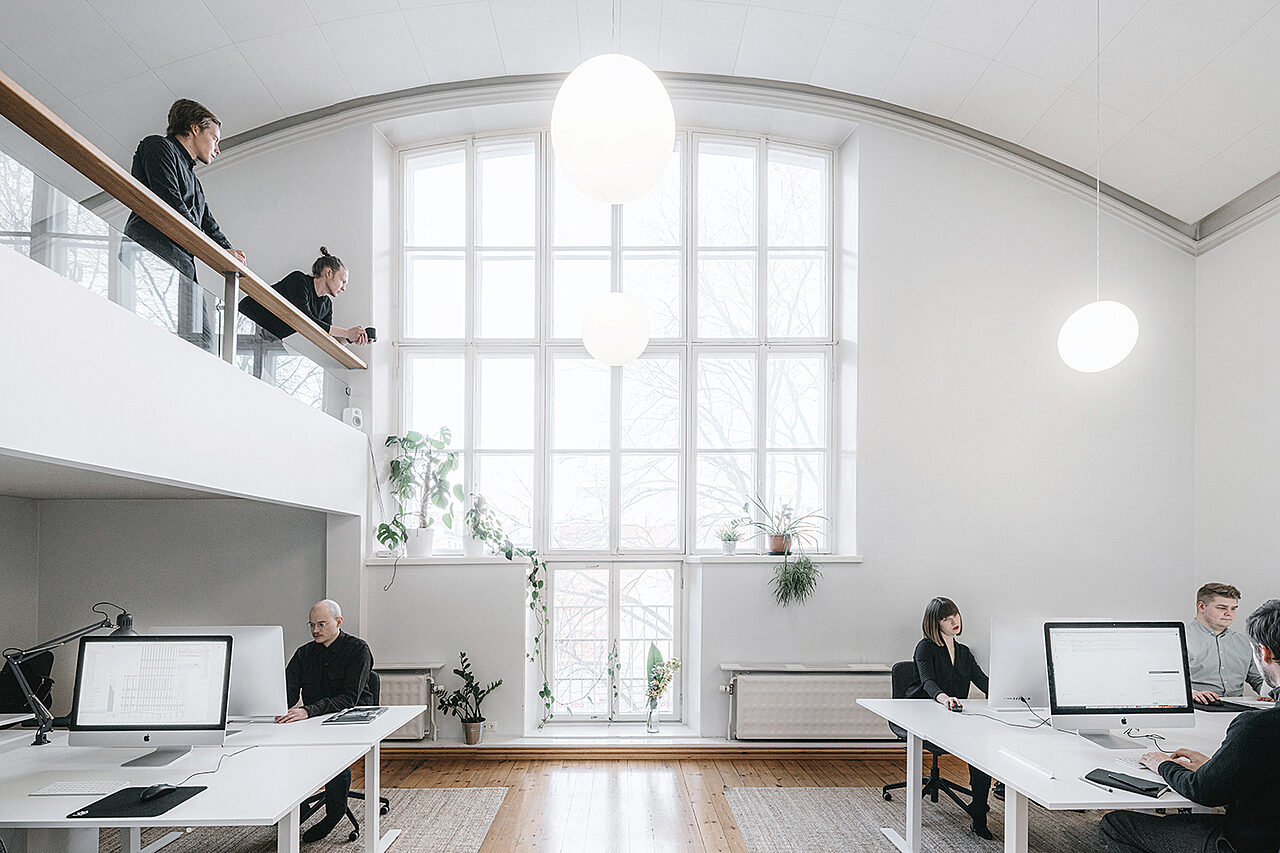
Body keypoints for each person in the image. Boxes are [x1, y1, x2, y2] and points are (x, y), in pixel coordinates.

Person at [1100, 599, 1280, 853]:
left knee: (1116, 824)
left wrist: (1163, 764)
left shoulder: (1259, 727)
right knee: (1180, 821)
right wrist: (1215, 767)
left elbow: (1203, 792)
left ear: (1264, 653)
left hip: (1249, 843)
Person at [122, 99, 245, 350]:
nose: (217, 149)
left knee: (202, 343)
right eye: (215, 138)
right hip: (152, 256)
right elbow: (170, 203)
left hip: (180, 264)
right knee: (162, 340)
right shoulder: (157, 146)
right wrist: (215, 250)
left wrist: (229, 254)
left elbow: (209, 225)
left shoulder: (195, 183)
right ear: (194, 129)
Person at [276, 599, 374, 843]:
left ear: (338, 622)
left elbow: (350, 698)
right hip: (313, 719)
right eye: (311, 625)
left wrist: (309, 710)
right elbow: (287, 694)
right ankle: (293, 810)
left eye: (321, 624)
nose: (315, 630)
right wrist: (276, 705)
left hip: (351, 719)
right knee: (286, 750)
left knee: (333, 754)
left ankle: (335, 813)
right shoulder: (304, 654)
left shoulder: (358, 649)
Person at [904, 596, 994, 840]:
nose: (953, 620)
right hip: (926, 711)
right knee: (975, 742)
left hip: (954, 714)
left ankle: (979, 808)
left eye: (955, 614)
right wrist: (944, 698)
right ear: (935, 623)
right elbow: (927, 681)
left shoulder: (964, 652)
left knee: (981, 747)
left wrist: (1008, 694)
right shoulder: (925, 648)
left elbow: (983, 681)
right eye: (946, 617)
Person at [238, 247, 368, 344]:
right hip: (244, 322)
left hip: (265, 338)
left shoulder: (327, 305)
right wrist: (346, 332)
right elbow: (304, 318)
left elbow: (327, 337)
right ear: (328, 273)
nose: (344, 288)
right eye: (342, 281)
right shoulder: (299, 280)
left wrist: (350, 338)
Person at [1186, 582, 1272, 703]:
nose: (1229, 613)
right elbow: (1168, 682)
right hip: (1198, 708)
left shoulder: (1244, 642)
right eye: (1222, 608)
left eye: (1233, 608)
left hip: (1237, 708)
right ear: (1201, 607)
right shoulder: (1180, 640)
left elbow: (1259, 680)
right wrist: (1192, 693)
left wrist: (1271, 694)